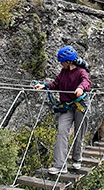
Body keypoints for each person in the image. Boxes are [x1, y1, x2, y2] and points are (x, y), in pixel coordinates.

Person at [35, 45, 91, 173]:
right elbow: (56, 84)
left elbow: (86, 82)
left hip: (81, 105)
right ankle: (60, 166)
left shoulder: (81, 72)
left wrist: (81, 88)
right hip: (67, 106)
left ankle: (77, 159)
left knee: (79, 133)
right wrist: (44, 86)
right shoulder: (63, 72)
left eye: (62, 62)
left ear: (68, 62)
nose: (60, 64)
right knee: (61, 132)